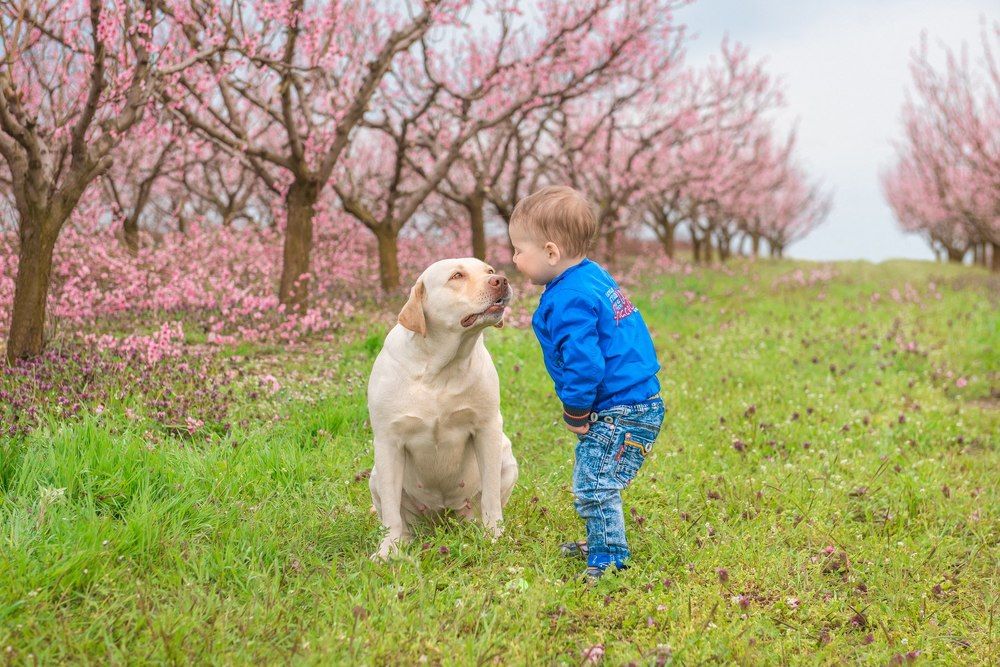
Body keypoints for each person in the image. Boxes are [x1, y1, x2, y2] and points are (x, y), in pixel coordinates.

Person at [508, 185, 665, 581]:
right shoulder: (590, 274)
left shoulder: (568, 299)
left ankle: (610, 558)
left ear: (550, 252)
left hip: (619, 409)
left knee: (594, 483)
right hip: (637, 402)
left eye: (518, 250)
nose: (513, 259)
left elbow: (585, 361)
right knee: (600, 476)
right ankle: (602, 538)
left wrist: (575, 409)